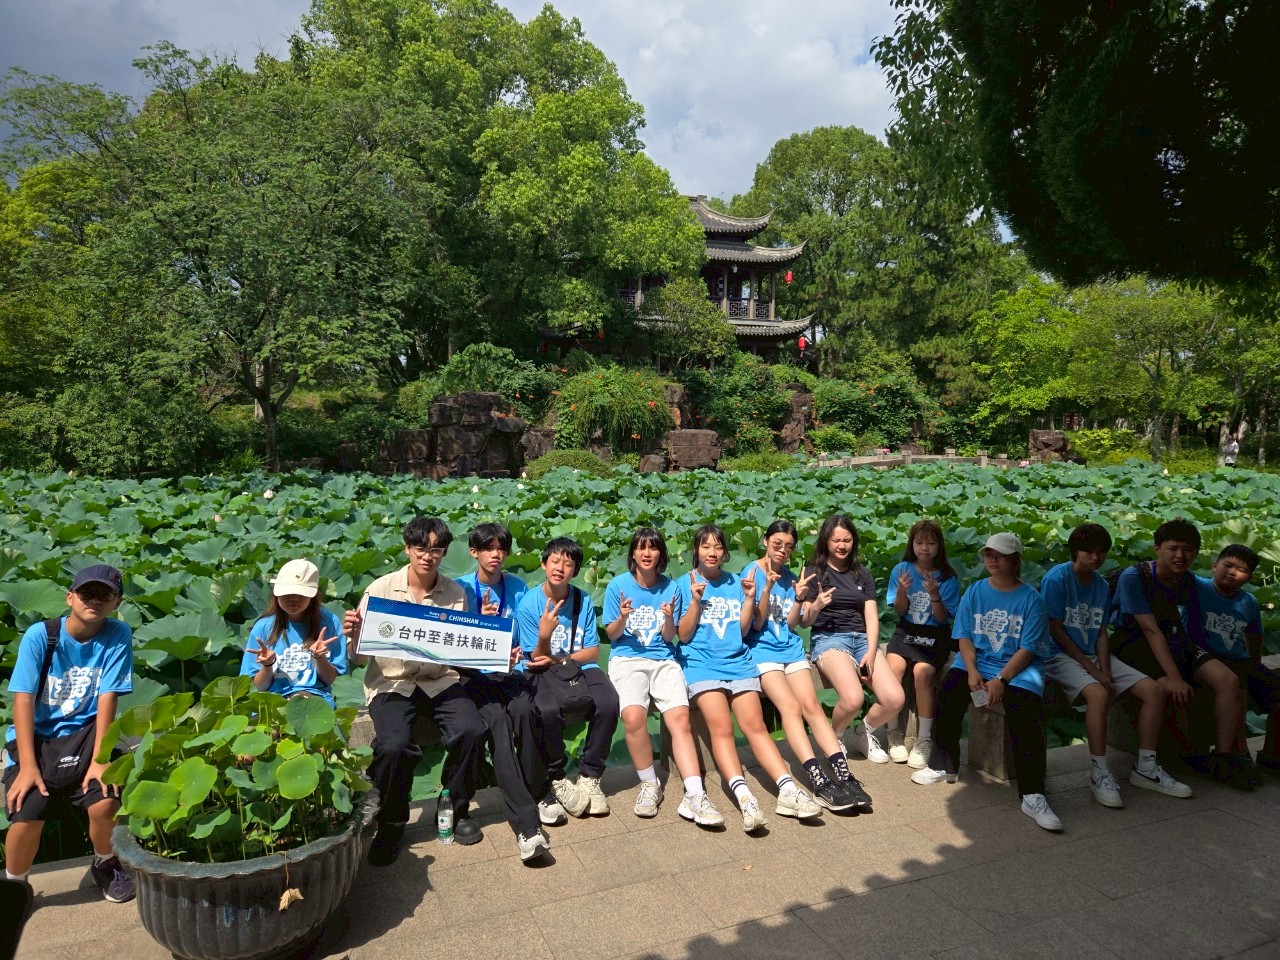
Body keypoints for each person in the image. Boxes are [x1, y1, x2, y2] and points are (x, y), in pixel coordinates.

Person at [343, 516, 489, 865]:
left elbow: (460, 652)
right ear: (408, 548)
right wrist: (355, 634)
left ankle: (455, 808)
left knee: (472, 730)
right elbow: (358, 658)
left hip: (440, 679)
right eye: (421, 548)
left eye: (436, 550)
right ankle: (392, 823)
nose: (428, 556)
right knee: (392, 746)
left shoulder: (455, 593)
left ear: (445, 553)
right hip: (392, 682)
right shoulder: (380, 590)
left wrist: (493, 649)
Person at [911, 534, 1063, 832]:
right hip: (977, 662)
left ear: (1016, 560)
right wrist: (971, 671)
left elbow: (1028, 648)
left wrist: (1002, 680)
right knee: (948, 695)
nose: (992, 560)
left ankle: (1033, 794)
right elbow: (964, 636)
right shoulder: (976, 591)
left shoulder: (1031, 599)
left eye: (1000, 555)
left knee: (1025, 713)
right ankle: (944, 764)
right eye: (988, 554)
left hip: (1018, 668)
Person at [677, 524, 822, 833]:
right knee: (722, 728)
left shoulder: (735, 582)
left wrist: (749, 598)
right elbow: (684, 635)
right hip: (702, 665)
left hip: (739, 664)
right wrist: (695, 601)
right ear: (696, 551)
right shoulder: (684, 583)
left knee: (756, 726)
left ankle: (787, 789)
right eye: (706, 547)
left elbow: (744, 630)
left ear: (725, 553)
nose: (712, 552)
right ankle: (745, 798)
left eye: (718, 547)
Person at [2, 564, 135, 902]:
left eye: (105, 594)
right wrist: (28, 767)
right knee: (27, 814)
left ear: (117, 602)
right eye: (87, 592)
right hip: (38, 738)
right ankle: (15, 886)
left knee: (105, 802)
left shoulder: (118, 634)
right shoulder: (41, 635)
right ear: (70, 597)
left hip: (87, 734)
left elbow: (108, 698)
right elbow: (23, 699)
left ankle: (105, 863)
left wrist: (101, 759)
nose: (95, 600)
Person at [1040, 525, 1192, 807]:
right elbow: (1055, 629)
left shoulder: (1100, 584)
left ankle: (1146, 767)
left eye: (1101, 552)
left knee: (1154, 691)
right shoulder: (1057, 578)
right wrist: (1093, 671)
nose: (1096, 557)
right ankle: (1099, 772)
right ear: (1075, 552)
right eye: (1089, 552)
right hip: (1057, 655)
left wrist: (1106, 670)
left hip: (1094, 652)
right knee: (1098, 694)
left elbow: (1100, 631)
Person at [743, 521, 870, 810]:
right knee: (790, 707)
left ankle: (843, 773)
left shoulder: (792, 578)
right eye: (777, 543)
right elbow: (757, 623)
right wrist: (767, 588)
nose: (782, 550)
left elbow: (791, 625)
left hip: (790, 649)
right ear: (765, 541)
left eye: (788, 546)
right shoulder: (751, 572)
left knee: (812, 706)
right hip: (762, 651)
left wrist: (800, 598)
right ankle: (817, 779)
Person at [604, 528, 724, 826]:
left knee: (680, 719)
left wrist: (669, 617)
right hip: (627, 659)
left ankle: (695, 794)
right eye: (641, 548)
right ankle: (650, 784)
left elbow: (670, 637)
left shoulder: (672, 588)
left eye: (653, 548)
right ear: (633, 554)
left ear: (661, 554)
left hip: (663, 659)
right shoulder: (617, 586)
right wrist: (622, 617)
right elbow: (612, 634)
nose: (647, 554)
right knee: (633, 717)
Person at [456, 522, 551, 862]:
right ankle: (527, 826)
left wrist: (524, 653)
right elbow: (451, 646)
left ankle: (539, 789)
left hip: (510, 672)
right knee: (498, 723)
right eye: (488, 548)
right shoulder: (459, 589)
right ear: (474, 552)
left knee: (526, 711)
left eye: (501, 548)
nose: (495, 554)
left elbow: (525, 638)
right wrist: (478, 623)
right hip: (473, 678)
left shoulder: (519, 587)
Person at [1107, 518, 1228, 777]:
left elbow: (1193, 622)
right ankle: (1176, 757)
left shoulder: (1188, 580)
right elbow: (1149, 630)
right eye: (1173, 548)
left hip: (1173, 638)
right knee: (1169, 689)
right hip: (1132, 642)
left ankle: (1227, 757)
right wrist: (1174, 676)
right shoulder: (1134, 577)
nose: (1180, 556)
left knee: (1228, 680)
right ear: (1157, 548)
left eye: (1188, 550)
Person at [516, 537, 620, 817]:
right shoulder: (529, 604)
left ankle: (590, 775)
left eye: (568, 563)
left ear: (575, 571)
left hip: (575, 664)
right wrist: (544, 634)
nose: (560, 568)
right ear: (543, 564)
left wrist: (562, 659)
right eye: (555, 561)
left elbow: (593, 651)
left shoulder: (582, 599)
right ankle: (557, 777)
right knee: (546, 710)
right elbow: (536, 658)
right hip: (539, 669)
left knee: (608, 701)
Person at [803, 515, 905, 766]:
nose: (841, 545)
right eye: (835, 540)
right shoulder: (813, 572)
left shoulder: (862, 574)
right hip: (829, 639)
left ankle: (861, 733)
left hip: (861, 640)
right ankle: (834, 738)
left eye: (847, 540)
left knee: (894, 699)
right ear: (825, 541)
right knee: (853, 699)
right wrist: (816, 605)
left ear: (854, 541)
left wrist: (870, 651)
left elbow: (871, 617)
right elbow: (805, 621)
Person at [1193, 544, 1280, 785]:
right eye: (1227, 565)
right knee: (1236, 689)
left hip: (1240, 660)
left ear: (1249, 578)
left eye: (1241, 570)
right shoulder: (1197, 587)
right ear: (1214, 566)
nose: (1232, 572)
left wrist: (1256, 667)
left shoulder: (1249, 601)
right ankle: (1233, 756)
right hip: (1204, 658)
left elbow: (1255, 635)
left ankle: (1272, 756)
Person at [883, 520, 961, 769]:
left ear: (939, 546)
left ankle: (924, 739)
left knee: (922, 672)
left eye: (930, 543)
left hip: (935, 633)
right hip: (907, 629)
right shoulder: (902, 570)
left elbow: (942, 618)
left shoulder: (948, 577)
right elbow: (900, 610)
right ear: (912, 544)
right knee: (893, 668)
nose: (924, 548)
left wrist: (935, 595)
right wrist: (902, 591)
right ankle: (893, 733)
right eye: (919, 542)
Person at [240, 559, 347, 706]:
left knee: (301, 702)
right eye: (288, 593)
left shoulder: (330, 623)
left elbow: (330, 680)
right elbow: (261, 686)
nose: (294, 599)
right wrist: (267, 665)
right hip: (272, 698)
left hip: (316, 697)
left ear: (313, 595)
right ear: (276, 594)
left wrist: (319, 657)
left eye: (302, 593)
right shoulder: (263, 627)